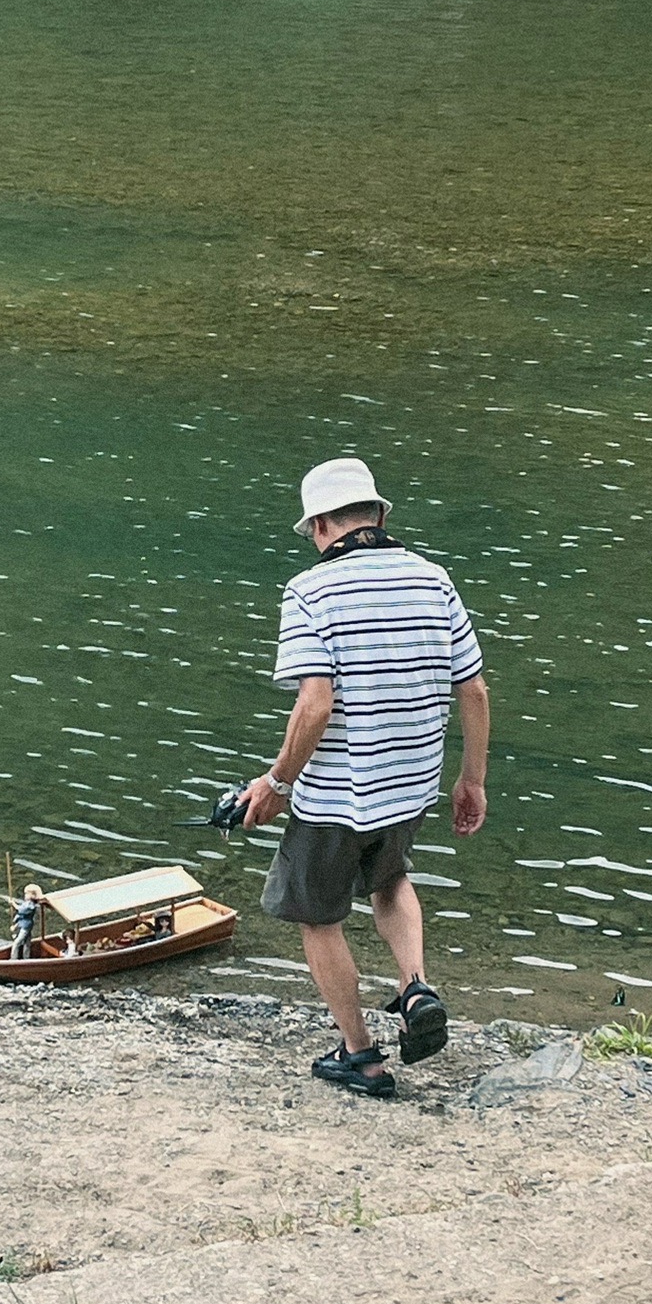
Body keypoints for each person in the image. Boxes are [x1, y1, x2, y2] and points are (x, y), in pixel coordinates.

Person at [240, 457, 491, 1101]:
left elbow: (316, 704)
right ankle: (414, 987)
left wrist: (277, 782)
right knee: (390, 879)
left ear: (322, 525)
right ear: (379, 515)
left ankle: (361, 1057)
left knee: (316, 915)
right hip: (412, 782)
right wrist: (472, 782)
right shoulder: (435, 580)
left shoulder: (310, 593)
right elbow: (475, 691)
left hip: (338, 792)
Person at [10, 884, 43, 959]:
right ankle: (26, 957)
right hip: (24, 925)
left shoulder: (31, 906)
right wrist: (15, 926)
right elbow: (21, 917)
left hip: (26, 927)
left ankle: (13, 958)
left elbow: (21, 910)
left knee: (17, 943)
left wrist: (13, 904)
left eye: (26, 893)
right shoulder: (26, 903)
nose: (25, 895)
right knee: (27, 943)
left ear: (32, 895)